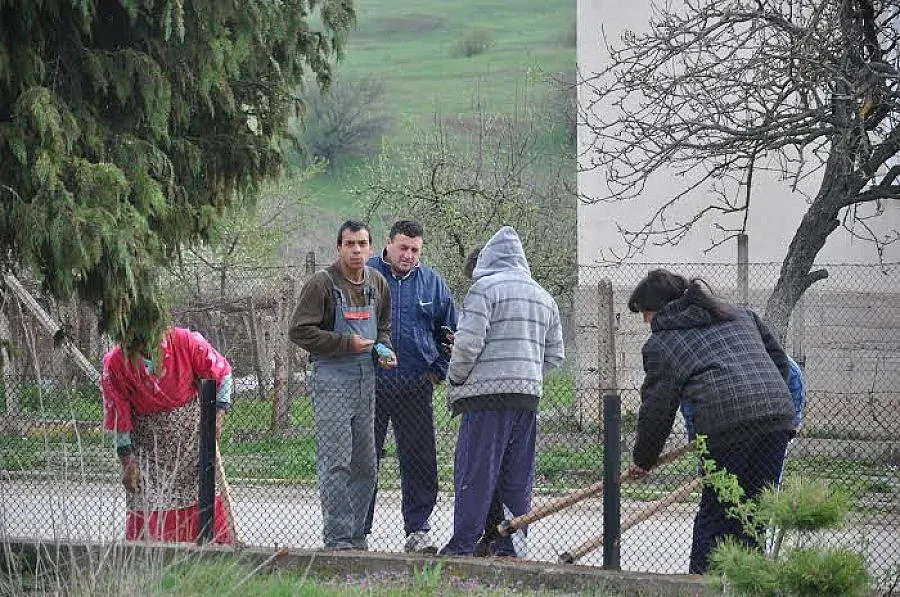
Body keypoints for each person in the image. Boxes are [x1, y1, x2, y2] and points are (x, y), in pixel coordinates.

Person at [626, 268, 795, 574]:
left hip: (725, 427)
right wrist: (770, 407)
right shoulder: (740, 315)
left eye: (646, 313)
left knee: (716, 514)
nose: (645, 321)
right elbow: (780, 363)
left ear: (661, 309)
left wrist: (643, 459)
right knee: (753, 514)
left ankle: (699, 588)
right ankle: (748, 587)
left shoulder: (662, 344)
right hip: (776, 420)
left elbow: (657, 409)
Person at [440, 226, 565, 557]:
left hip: (486, 399)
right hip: (527, 399)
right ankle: (510, 547)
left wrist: (456, 378)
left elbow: (467, 345)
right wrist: (525, 375)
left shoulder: (484, 290)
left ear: (486, 260)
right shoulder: (543, 296)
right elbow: (555, 355)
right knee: (516, 477)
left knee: (476, 472)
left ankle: (463, 545)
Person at [288, 219, 397, 551]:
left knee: (365, 462)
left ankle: (356, 536)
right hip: (332, 380)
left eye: (362, 244)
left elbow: (383, 328)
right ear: (338, 248)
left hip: (367, 381)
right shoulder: (322, 284)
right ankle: (336, 538)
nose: (356, 250)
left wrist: (384, 348)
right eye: (350, 244)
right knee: (336, 461)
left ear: (371, 248)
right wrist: (346, 343)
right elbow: (300, 331)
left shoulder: (377, 283)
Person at [363, 219, 457, 553]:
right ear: (388, 244)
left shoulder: (433, 284)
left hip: (417, 386)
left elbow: (451, 335)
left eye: (415, 250)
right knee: (363, 458)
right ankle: (358, 530)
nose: (408, 255)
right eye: (403, 247)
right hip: (370, 386)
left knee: (419, 460)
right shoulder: (366, 275)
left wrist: (438, 371)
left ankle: (417, 530)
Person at [101, 326, 234, 543]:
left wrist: (218, 415)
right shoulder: (115, 362)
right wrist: (127, 461)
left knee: (203, 502)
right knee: (146, 504)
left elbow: (223, 373)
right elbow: (118, 413)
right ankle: (151, 563)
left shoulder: (184, 341)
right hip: (148, 451)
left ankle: (208, 557)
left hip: (192, 444)